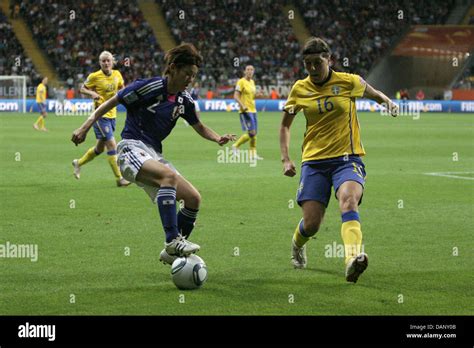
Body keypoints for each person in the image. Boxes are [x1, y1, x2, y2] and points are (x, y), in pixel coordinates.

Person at [71, 43, 236, 264]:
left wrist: (217, 138)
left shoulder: (184, 101)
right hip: (131, 148)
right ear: (174, 68)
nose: (190, 79)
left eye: (194, 76)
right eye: (187, 74)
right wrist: (85, 127)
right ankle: (172, 240)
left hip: (153, 154)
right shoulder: (148, 87)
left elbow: (199, 126)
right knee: (169, 177)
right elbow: (112, 102)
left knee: (193, 198)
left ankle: (170, 253)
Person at [280, 37, 398, 283]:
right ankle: (297, 245)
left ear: (329, 59)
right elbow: (285, 126)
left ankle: (351, 261)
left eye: (317, 63)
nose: (312, 69)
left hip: (347, 158)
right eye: (307, 64)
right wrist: (286, 159)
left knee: (349, 200)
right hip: (314, 161)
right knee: (312, 224)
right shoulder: (299, 89)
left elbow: (374, 93)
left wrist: (387, 102)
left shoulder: (348, 81)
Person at [72, 51, 130, 187]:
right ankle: (120, 179)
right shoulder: (94, 76)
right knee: (112, 144)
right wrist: (92, 93)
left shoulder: (117, 75)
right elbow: (82, 89)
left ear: (112, 62)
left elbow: (122, 89)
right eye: (103, 61)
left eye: (108, 60)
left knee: (99, 148)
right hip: (100, 116)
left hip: (112, 115)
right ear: (100, 63)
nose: (106, 63)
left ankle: (78, 163)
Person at [232, 65, 263, 160]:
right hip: (245, 111)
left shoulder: (252, 82)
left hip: (253, 110)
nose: (250, 71)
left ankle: (253, 154)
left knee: (254, 133)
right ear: (245, 71)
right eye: (248, 70)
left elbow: (251, 97)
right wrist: (242, 105)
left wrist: (258, 95)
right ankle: (235, 146)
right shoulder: (241, 81)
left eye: (252, 70)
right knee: (252, 132)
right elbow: (236, 96)